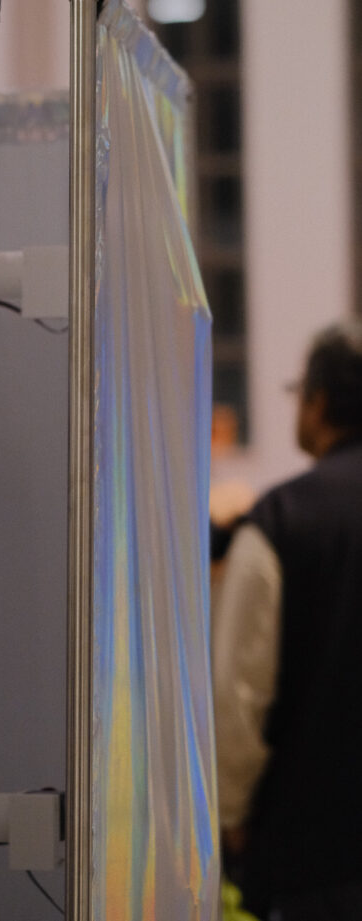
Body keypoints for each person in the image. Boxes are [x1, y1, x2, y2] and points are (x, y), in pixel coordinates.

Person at [213, 319, 362, 921]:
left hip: (312, 863)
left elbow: (238, 695)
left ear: (319, 401)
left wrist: (233, 816)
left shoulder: (283, 521)